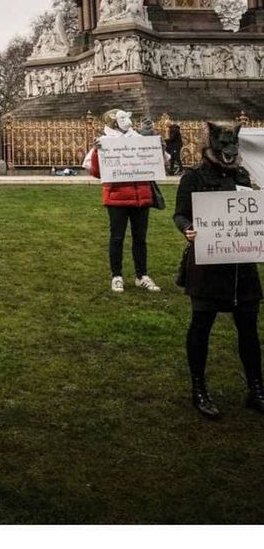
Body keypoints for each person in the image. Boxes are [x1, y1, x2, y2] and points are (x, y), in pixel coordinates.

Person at [173, 122, 264, 420]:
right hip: (209, 266)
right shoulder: (194, 178)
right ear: (212, 145)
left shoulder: (242, 175)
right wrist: (187, 229)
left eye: (233, 147)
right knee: (201, 326)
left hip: (242, 267)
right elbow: (180, 214)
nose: (229, 153)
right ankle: (199, 388)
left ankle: (256, 388)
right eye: (224, 147)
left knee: (249, 329)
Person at [83, 108, 160, 293]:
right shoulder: (105, 142)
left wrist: (159, 148)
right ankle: (116, 275)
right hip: (117, 198)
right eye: (122, 118)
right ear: (113, 122)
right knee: (117, 238)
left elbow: (160, 162)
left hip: (140, 197)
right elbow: (95, 171)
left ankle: (142, 275)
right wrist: (97, 153)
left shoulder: (139, 139)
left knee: (140, 239)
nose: (127, 121)